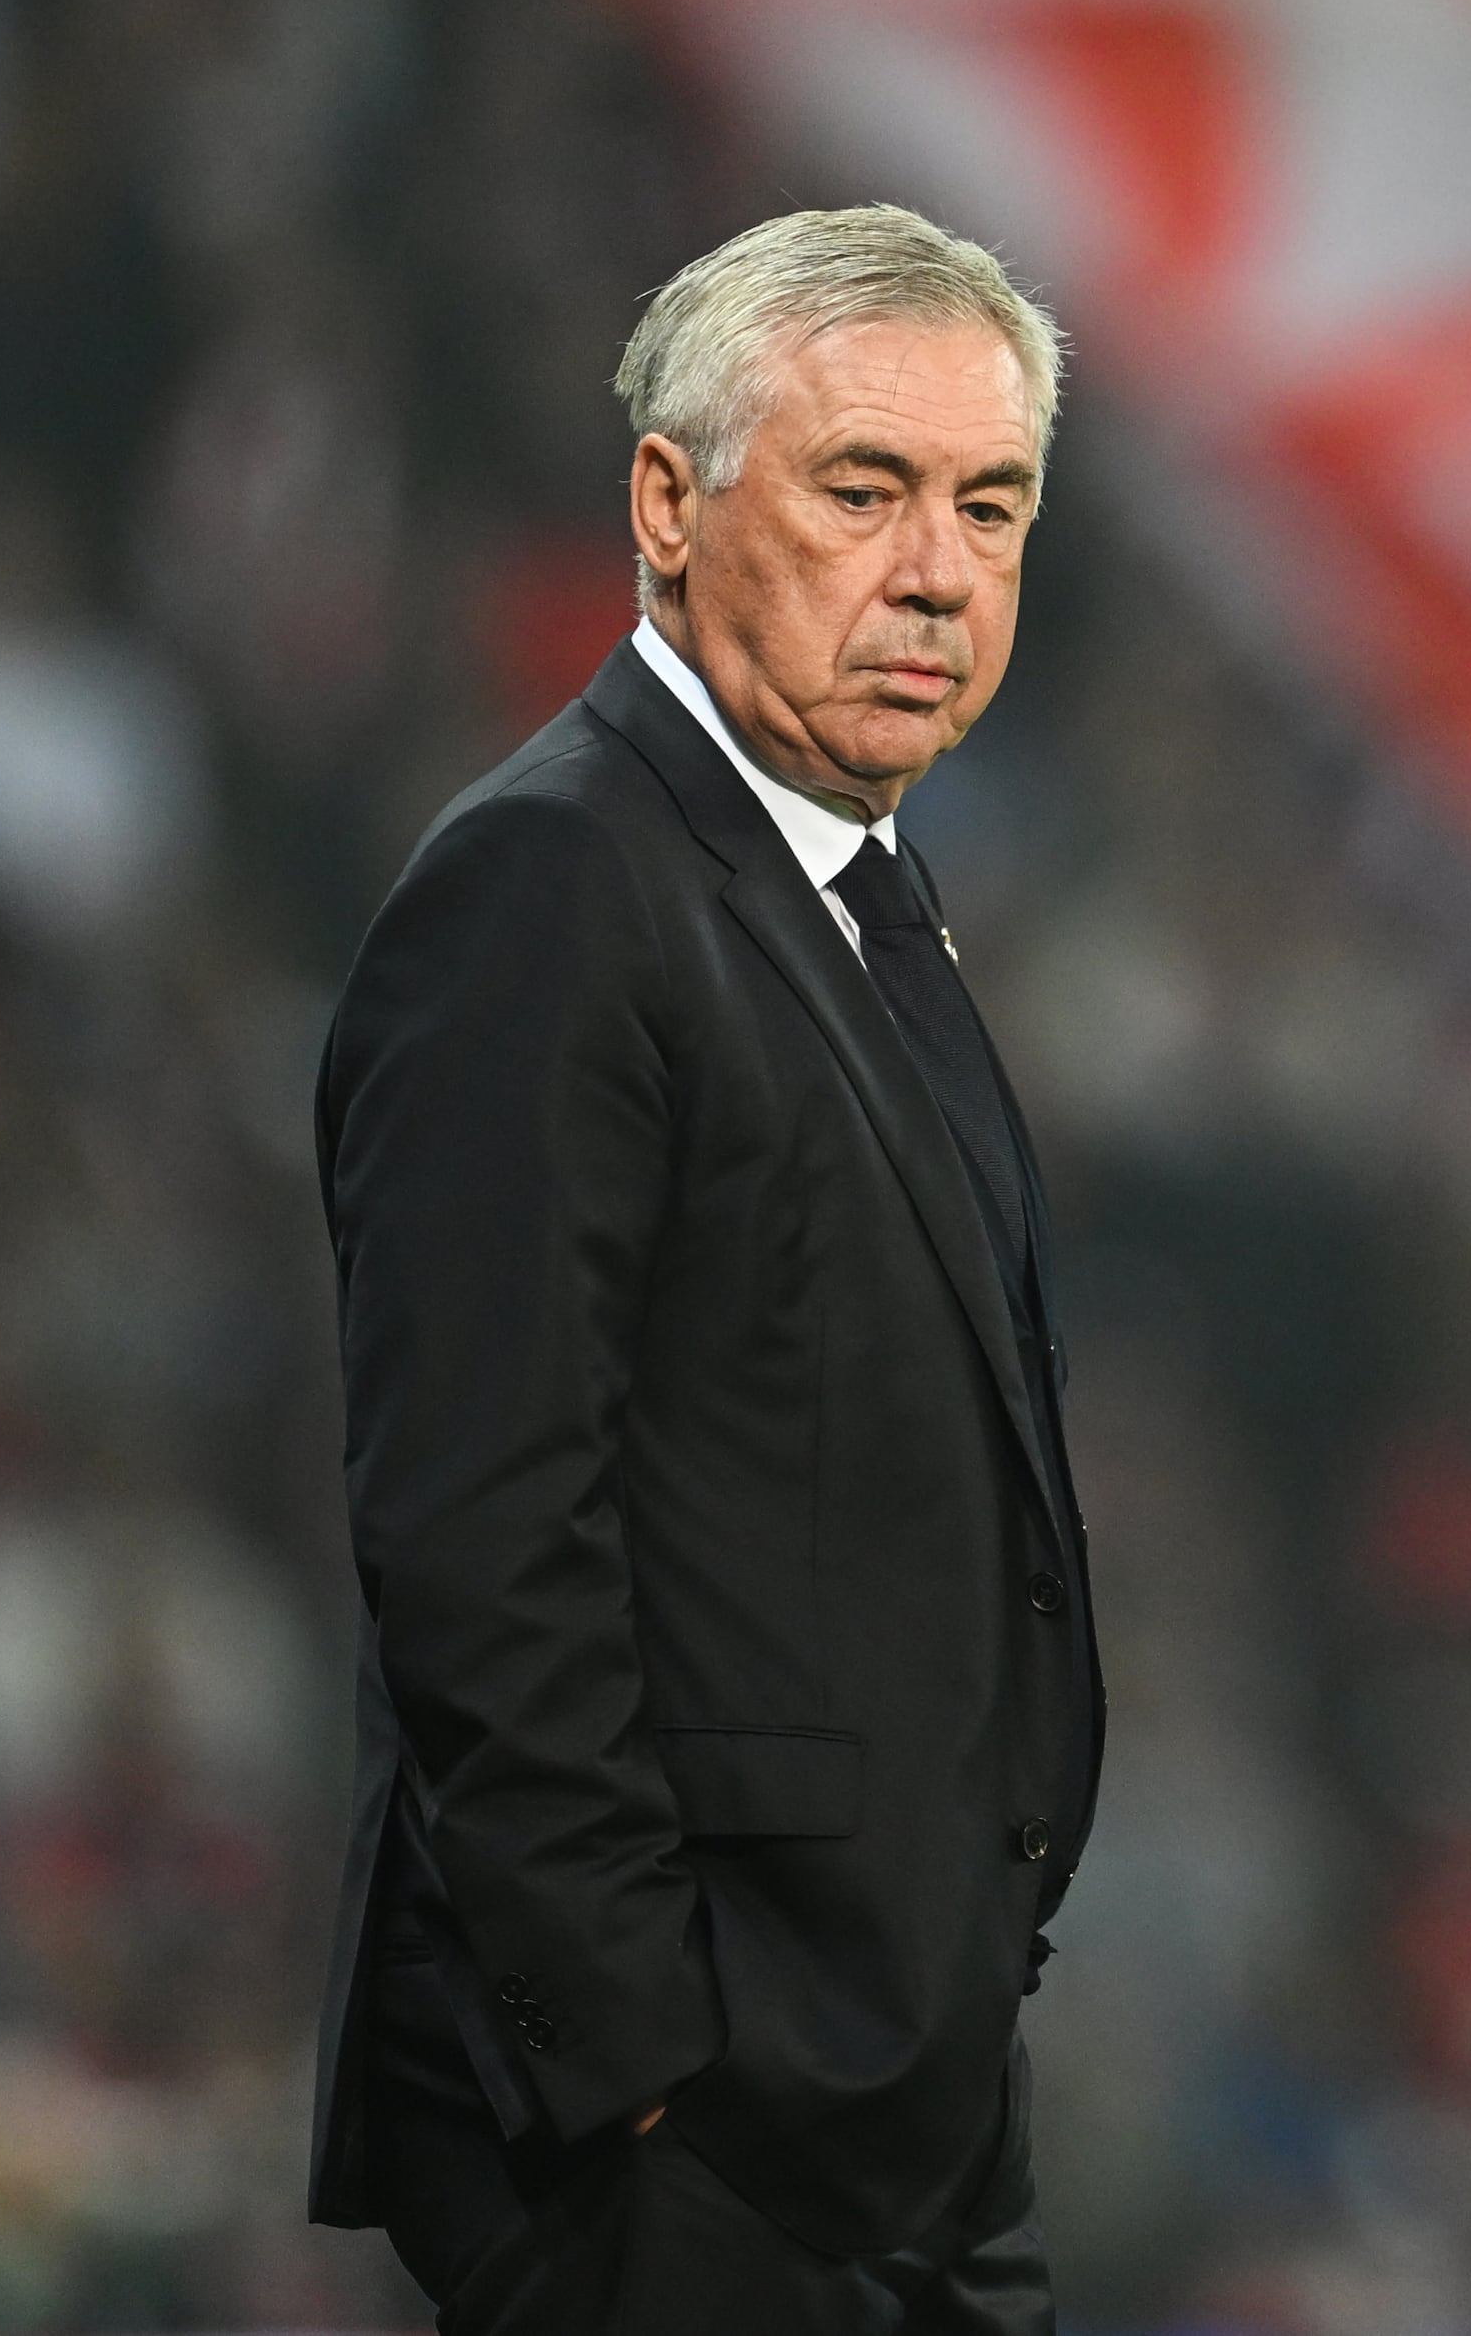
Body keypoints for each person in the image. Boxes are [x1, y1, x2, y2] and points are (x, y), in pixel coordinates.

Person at [301, 206, 1102, 2333]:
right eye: (864, 489)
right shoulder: (555, 884)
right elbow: (476, 1521)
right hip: (694, 2120)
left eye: (990, 504)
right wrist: (631, 2065)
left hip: (890, 2093)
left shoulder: (858, 893)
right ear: (669, 502)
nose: (937, 570)